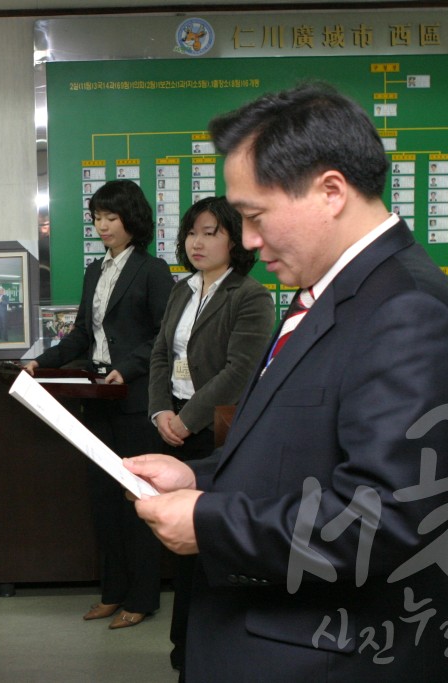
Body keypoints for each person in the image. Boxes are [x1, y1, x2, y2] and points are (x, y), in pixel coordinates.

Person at [124, 83, 448, 681]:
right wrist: (197, 475)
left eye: (254, 216)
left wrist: (209, 521)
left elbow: (384, 521)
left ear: (331, 191)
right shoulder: (326, 294)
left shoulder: (408, 311)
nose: (247, 241)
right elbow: (299, 451)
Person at [24, 179, 173, 630]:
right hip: (97, 399)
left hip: (133, 398)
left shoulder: (153, 270)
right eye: (97, 218)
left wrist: (126, 368)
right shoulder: (95, 271)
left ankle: (143, 597)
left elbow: (160, 336)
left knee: (136, 500)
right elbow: (82, 336)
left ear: (133, 220)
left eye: (111, 217)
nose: (102, 225)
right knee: (103, 500)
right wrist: (40, 362)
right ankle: (112, 591)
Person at [146, 196, 275, 676]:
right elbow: (161, 353)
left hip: (216, 433)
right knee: (181, 557)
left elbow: (239, 371)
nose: (197, 243)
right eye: (192, 233)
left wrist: (189, 419)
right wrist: (161, 410)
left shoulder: (250, 295)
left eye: (211, 233)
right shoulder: (182, 289)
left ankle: (207, 653)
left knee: (208, 547)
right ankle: (183, 650)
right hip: (172, 424)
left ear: (235, 240)